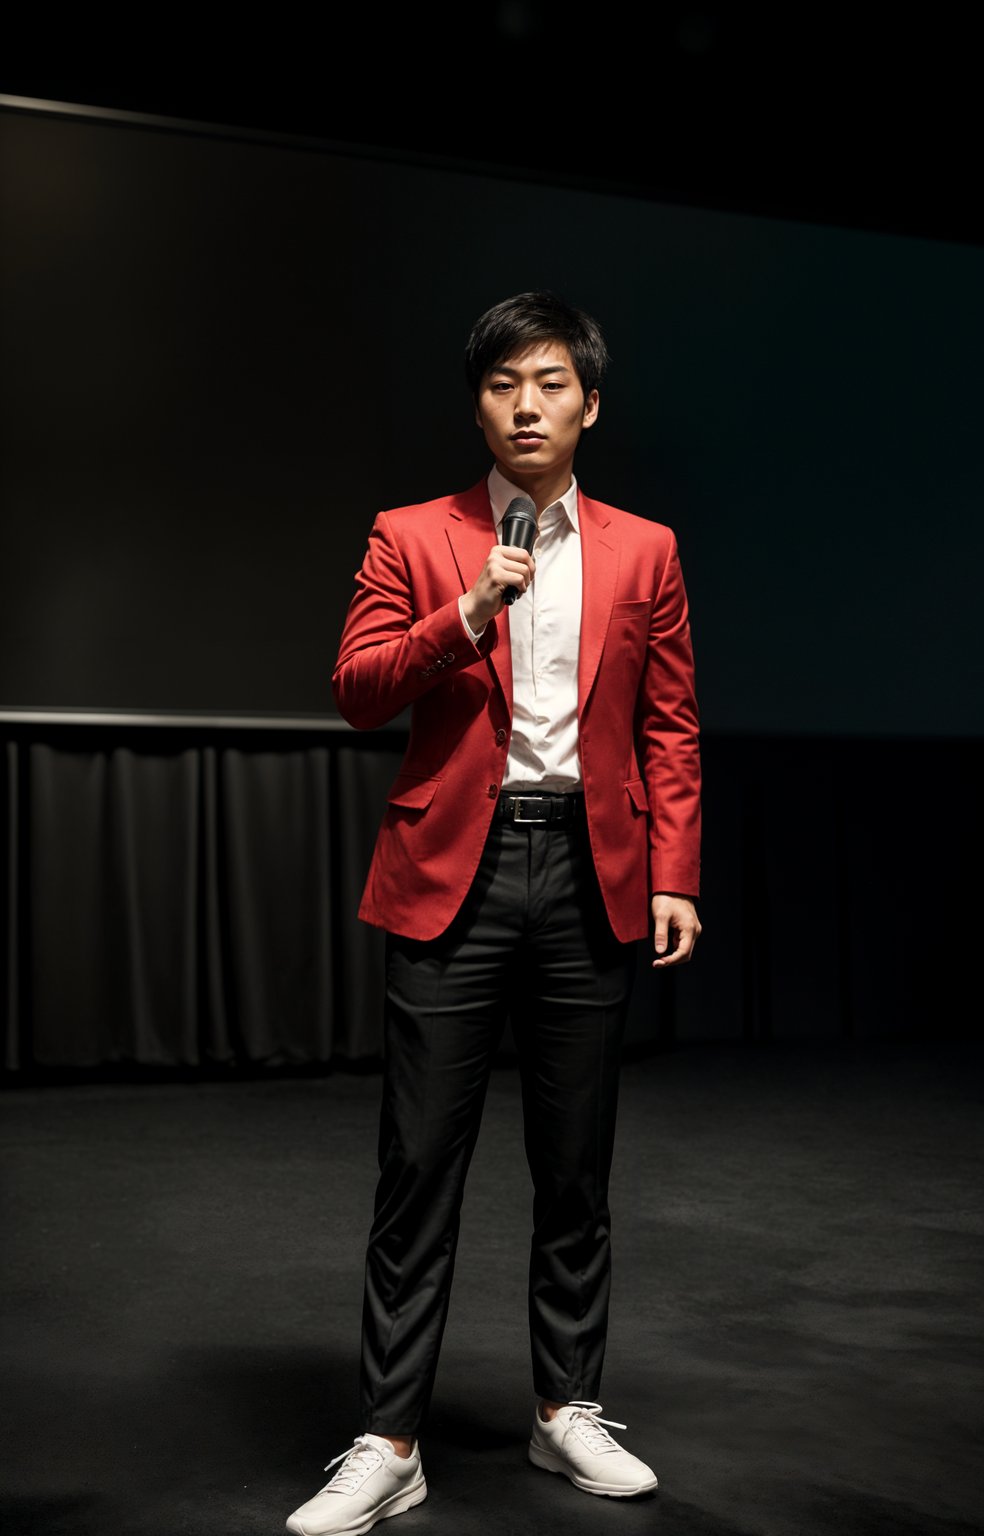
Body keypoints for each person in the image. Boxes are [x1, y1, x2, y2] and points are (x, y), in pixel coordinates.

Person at [286, 290, 701, 1536]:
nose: (527, 405)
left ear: (588, 403)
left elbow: (669, 723)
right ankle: (388, 1439)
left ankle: (567, 1407)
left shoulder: (648, 549)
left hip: (590, 870)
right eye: (502, 384)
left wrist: (674, 867)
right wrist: (464, 611)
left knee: (575, 1166)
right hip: (452, 873)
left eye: (551, 383)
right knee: (417, 1166)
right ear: (478, 402)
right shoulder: (413, 534)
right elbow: (359, 690)